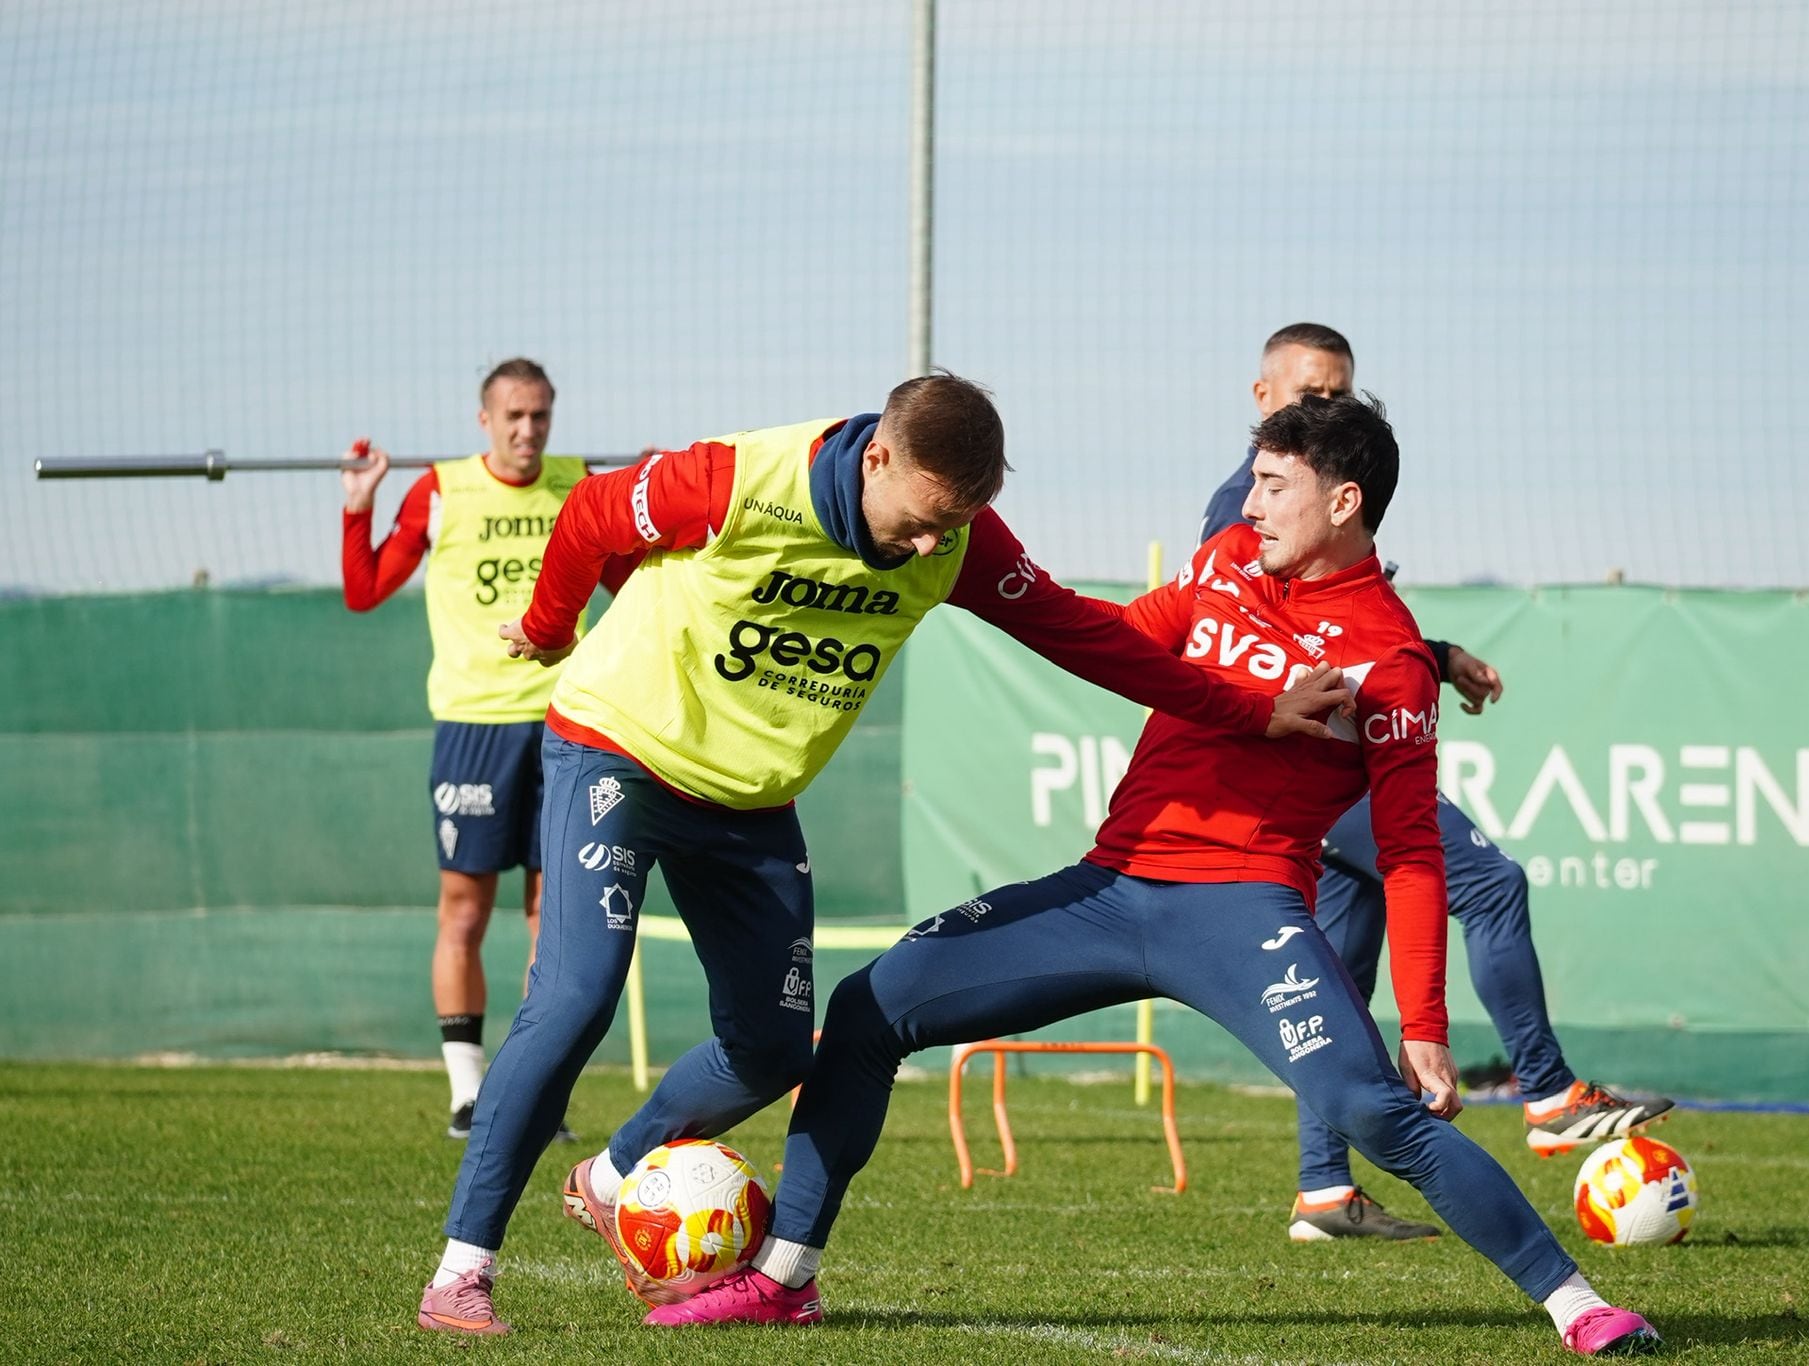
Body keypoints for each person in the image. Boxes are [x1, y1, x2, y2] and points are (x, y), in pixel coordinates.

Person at [654, 393, 1662, 1357]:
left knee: (1372, 1111)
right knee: (868, 1009)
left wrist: (1428, 1028)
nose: (1249, 502)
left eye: (1273, 484)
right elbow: (1125, 645)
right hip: (1107, 889)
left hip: (1241, 915)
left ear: (1342, 503)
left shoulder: (1391, 666)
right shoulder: (1224, 561)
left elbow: (1407, 849)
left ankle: (1578, 1306)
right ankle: (786, 1279)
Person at [414, 372, 1353, 1335]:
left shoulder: (959, 541)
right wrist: (547, 624)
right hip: (619, 752)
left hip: (751, 801)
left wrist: (1251, 708)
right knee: (575, 999)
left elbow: (1087, 636)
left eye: (954, 526)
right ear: (878, 457)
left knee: (774, 1049)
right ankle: (462, 1270)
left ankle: (612, 1178)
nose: (928, 547)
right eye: (921, 520)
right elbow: (593, 513)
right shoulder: (738, 479)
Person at [1205, 324, 1672, 1244]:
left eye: (1339, 392)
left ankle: (1324, 1189)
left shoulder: (1322, 492)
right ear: (1263, 400)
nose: (1326, 407)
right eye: (1309, 392)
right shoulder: (1253, 500)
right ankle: (1546, 1091)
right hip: (1318, 763)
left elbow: (1337, 622)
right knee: (1489, 883)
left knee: (1338, 967)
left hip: (1328, 750)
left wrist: (1436, 654)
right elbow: (1260, 631)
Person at [343, 357, 635, 1142]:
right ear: (484, 419)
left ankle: (537, 1091)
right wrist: (356, 509)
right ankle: (469, 1093)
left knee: (558, 919)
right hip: (473, 729)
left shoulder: (582, 485)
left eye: (540, 415)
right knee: (465, 911)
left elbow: (635, 586)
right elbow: (364, 589)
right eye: (513, 415)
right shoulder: (439, 490)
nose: (528, 430)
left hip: (569, 724)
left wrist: (661, 506)